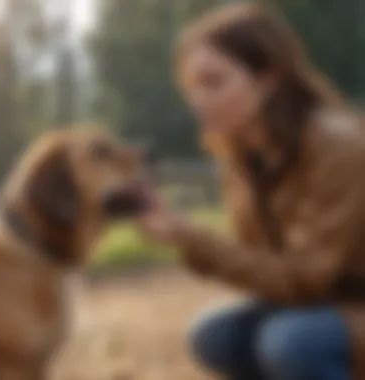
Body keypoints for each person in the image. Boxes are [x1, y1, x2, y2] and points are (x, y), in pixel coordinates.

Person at [137, 3, 365, 380]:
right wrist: (181, 236)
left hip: (346, 303)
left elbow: (306, 281)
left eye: (214, 82)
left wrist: (194, 239)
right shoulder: (239, 153)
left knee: (290, 343)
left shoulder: (338, 145)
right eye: (192, 86)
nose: (198, 100)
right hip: (326, 305)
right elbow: (264, 270)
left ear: (269, 78)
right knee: (215, 336)